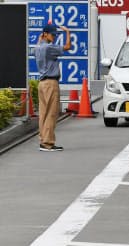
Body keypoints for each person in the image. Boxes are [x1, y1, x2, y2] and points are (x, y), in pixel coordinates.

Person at [35, 22, 71, 152]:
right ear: (45, 34)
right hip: (51, 83)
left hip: (42, 83)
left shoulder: (38, 47)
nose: (54, 37)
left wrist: (41, 38)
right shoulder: (49, 48)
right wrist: (68, 32)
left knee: (43, 113)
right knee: (52, 113)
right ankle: (48, 143)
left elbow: (40, 42)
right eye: (52, 34)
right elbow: (67, 47)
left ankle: (43, 140)